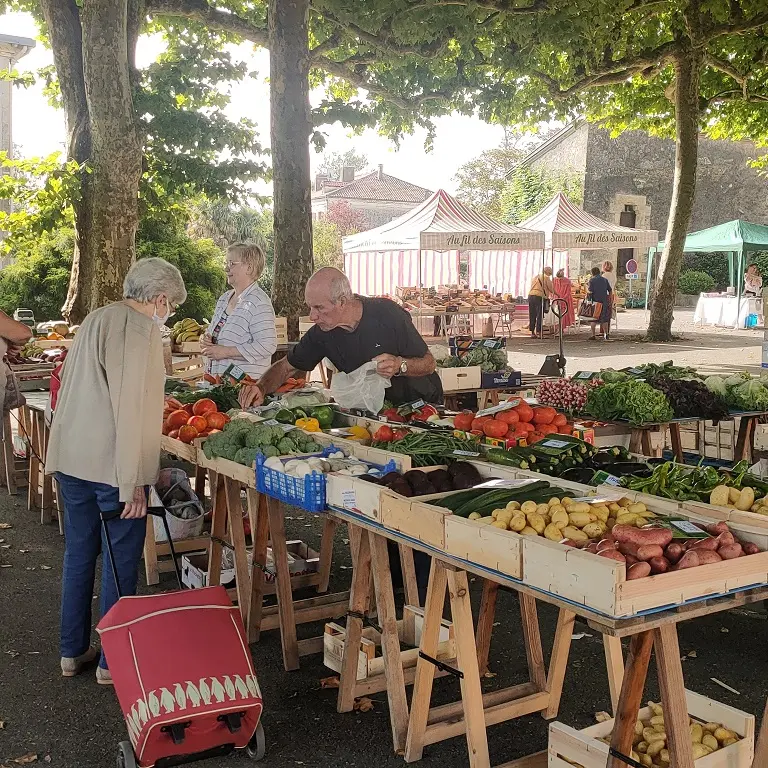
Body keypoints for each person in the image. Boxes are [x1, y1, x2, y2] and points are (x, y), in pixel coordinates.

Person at [46, 258, 187, 685]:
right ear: (160, 299)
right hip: (110, 466)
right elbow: (131, 412)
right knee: (120, 560)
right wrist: (134, 481)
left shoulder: (97, 317)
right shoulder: (139, 330)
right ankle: (113, 660)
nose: (169, 315)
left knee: (79, 553)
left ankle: (72, 651)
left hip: (72, 457)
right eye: (172, 306)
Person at [238, 267, 443, 409]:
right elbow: (286, 367)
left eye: (319, 308)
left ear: (342, 302)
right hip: (376, 412)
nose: (312, 316)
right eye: (310, 307)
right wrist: (261, 387)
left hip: (421, 406)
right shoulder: (322, 333)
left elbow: (429, 363)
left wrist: (400, 365)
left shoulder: (387, 314)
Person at [200, 242, 277, 378]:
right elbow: (213, 333)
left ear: (249, 268)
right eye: (226, 263)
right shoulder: (224, 298)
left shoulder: (259, 303)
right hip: (217, 385)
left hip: (244, 389)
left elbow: (267, 345)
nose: (226, 268)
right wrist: (205, 339)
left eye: (232, 264)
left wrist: (226, 352)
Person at [527, 266, 554, 338]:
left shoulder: (535, 277)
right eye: (550, 273)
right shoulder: (546, 277)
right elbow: (551, 289)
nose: (551, 275)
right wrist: (558, 294)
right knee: (539, 315)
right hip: (539, 297)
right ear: (548, 272)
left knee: (532, 314)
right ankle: (539, 332)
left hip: (531, 295)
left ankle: (532, 332)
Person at [587, 266, 613, 340]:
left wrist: (589, 300)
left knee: (593, 318)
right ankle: (606, 334)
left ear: (592, 273)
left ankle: (593, 335)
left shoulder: (592, 281)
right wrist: (610, 298)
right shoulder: (605, 280)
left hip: (596, 301)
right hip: (604, 301)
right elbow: (610, 290)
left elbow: (590, 292)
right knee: (604, 318)